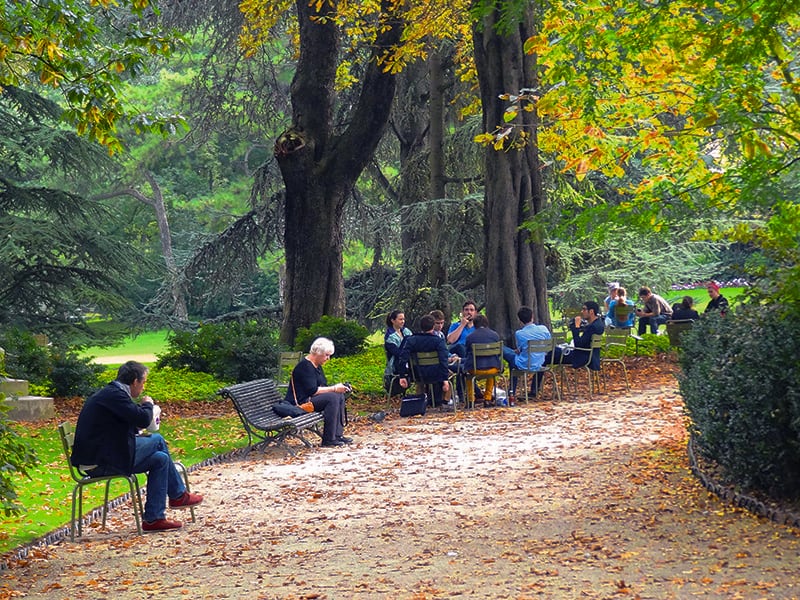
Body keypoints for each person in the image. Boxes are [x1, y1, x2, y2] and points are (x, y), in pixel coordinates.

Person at [71, 361, 204, 532]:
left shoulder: (114, 394)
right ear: (135, 381)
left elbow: (128, 422)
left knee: (160, 459)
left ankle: (153, 519)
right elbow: (142, 419)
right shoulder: (114, 395)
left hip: (106, 454)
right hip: (99, 462)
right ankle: (178, 495)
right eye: (143, 382)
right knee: (157, 440)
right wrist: (147, 404)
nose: (143, 387)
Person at [286, 337, 351, 448]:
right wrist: (334, 388)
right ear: (317, 353)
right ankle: (328, 439)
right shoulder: (305, 367)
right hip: (301, 403)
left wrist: (340, 388)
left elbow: (322, 386)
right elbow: (313, 390)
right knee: (332, 397)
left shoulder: (317, 366)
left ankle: (337, 435)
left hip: (311, 400)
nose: (328, 358)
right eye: (326, 355)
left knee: (338, 395)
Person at [395, 315, 452, 405]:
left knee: (420, 380)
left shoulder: (411, 340)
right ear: (433, 326)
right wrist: (445, 379)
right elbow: (443, 360)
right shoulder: (438, 341)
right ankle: (445, 400)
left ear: (420, 326)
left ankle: (420, 400)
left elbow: (403, 358)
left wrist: (402, 376)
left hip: (417, 374)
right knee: (450, 373)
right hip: (436, 374)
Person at [502, 306, 551, 400]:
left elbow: (519, 350)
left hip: (524, 364)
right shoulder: (543, 329)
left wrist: (517, 351)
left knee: (503, 350)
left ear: (520, 320)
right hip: (540, 362)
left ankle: (511, 391)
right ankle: (512, 391)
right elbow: (548, 344)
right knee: (512, 359)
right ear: (532, 316)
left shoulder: (519, 333)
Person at [549, 301, 605, 369]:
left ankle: (537, 377)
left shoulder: (592, 327)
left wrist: (576, 327)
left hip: (581, 357)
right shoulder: (599, 324)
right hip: (592, 356)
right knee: (554, 352)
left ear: (591, 311)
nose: (582, 311)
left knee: (550, 354)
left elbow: (578, 344)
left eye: (584, 309)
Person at [463, 314, 501, 407]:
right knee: (490, 374)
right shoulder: (495, 335)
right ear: (487, 323)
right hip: (493, 368)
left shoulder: (470, 337)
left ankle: (471, 400)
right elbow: (498, 354)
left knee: (468, 375)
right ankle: (487, 399)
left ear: (475, 325)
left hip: (475, 369)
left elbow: (467, 354)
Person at [383, 310, 412, 395]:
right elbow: (398, 353)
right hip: (396, 364)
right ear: (393, 320)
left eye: (403, 319)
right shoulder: (390, 336)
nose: (403, 321)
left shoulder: (406, 331)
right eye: (400, 319)